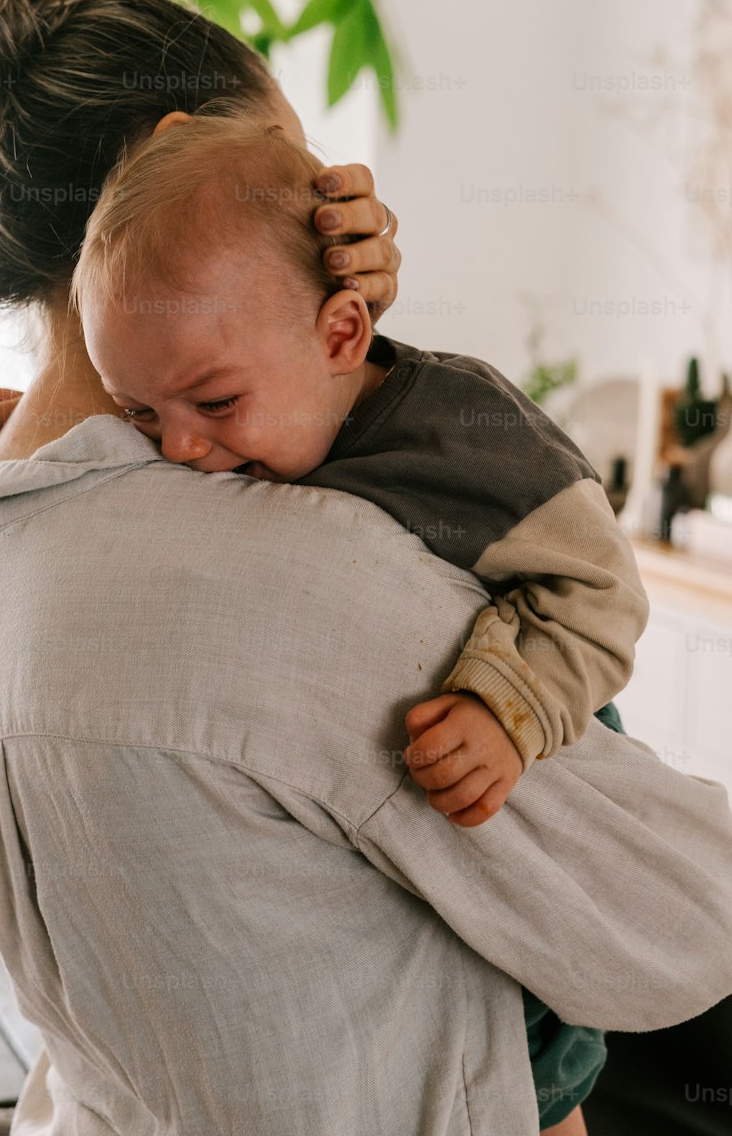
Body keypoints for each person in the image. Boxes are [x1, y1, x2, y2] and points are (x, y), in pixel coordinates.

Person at [0, 0, 732, 1136]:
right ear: (174, 156)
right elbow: (678, 925)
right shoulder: (285, 578)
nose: (335, 236)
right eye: (294, 193)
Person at [67, 114, 649, 828]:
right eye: (140, 412)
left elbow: (605, 592)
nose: (178, 447)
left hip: (564, 783)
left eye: (215, 401)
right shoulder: (227, 422)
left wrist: (504, 709)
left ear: (342, 333)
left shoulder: (468, 434)